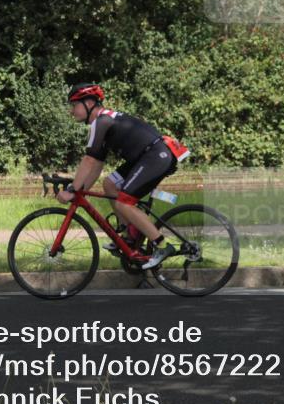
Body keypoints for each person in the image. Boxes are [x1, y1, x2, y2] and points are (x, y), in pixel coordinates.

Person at [56, 82, 189, 269]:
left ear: (89, 102)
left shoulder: (101, 122)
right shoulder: (103, 122)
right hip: (147, 156)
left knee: (123, 202)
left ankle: (161, 245)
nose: (72, 111)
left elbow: (88, 161)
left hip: (155, 155)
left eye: (74, 105)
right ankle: (128, 238)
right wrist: (80, 191)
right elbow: (96, 165)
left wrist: (72, 190)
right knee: (109, 184)